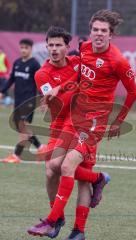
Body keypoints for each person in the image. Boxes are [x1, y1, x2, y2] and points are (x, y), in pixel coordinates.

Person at [28, 8, 136, 239]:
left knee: (68, 168)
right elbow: (77, 80)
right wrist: (57, 90)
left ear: (111, 34)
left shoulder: (117, 61)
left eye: (103, 31)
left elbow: (133, 92)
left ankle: (61, 225)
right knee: (54, 166)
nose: (98, 34)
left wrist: (118, 121)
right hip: (71, 119)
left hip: (94, 120)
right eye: (95, 30)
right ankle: (97, 180)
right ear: (89, 32)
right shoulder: (84, 50)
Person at [27, 26, 110, 239]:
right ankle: (62, 214)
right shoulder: (42, 74)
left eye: (58, 45)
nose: (54, 49)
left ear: (67, 47)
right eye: (50, 45)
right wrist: (72, 88)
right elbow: (59, 105)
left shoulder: (78, 64)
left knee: (71, 172)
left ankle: (78, 230)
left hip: (84, 123)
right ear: (46, 47)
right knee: (50, 169)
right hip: (60, 125)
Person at [0, 38, 45, 163]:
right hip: (18, 101)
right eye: (22, 48)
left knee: (22, 127)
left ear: (31, 49)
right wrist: (2, 92)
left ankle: (16, 155)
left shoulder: (34, 64)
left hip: (29, 101)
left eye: (26, 48)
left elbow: (39, 82)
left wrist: (43, 98)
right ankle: (41, 148)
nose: (23, 50)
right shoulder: (17, 62)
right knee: (22, 128)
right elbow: (11, 80)